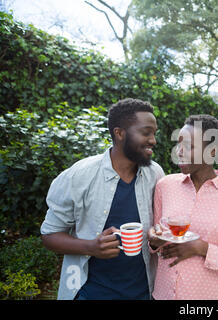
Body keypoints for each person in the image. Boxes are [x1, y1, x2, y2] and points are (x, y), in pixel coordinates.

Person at [40, 98, 164, 300]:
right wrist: (90, 247)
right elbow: (49, 235)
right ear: (120, 133)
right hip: (92, 293)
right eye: (146, 132)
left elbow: (159, 227)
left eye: (154, 133)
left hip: (144, 292)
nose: (153, 140)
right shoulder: (79, 176)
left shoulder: (155, 174)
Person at [148, 114, 218, 300]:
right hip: (162, 295)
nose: (179, 151)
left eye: (189, 146)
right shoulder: (165, 186)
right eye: (179, 144)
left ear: (212, 152)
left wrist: (202, 248)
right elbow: (156, 237)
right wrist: (153, 241)